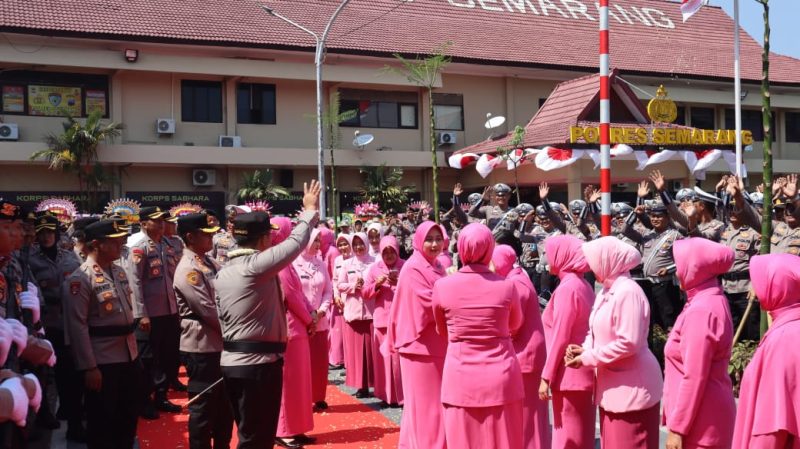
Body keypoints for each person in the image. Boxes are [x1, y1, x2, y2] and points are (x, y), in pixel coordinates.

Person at [214, 180, 319, 449]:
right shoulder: (255, 266)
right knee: (257, 438)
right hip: (257, 365)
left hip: (234, 361)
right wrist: (308, 210)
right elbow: (295, 243)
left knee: (250, 434)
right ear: (263, 238)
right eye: (269, 236)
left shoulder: (224, 270)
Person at [566, 237, 663, 449]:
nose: (591, 266)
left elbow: (629, 342)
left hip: (632, 388)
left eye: (594, 261)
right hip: (614, 388)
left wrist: (587, 358)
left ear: (607, 261)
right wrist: (585, 348)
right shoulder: (607, 290)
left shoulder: (628, 292)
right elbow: (596, 330)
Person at [433, 223, 523, 449]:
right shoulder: (507, 286)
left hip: (460, 375)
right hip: (501, 374)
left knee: (464, 441)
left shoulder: (442, 286)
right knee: (504, 440)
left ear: (460, 248)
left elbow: (441, 330)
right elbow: (515, 324)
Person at [63, 218, 143, 449]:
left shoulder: (117, 271)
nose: (121, 246)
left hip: (128, 354)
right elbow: (77, 328)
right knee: (101, 422)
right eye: (115, 242)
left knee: (127, 418)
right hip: (102, 360)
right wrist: (89, 367)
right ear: (97, 244)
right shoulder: (81, 278)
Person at [663, 238, 735, 449]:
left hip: (701, 422)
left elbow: (694, 375)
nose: (676, 272)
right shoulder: (708, 299)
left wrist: (678, 428)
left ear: (696, 268)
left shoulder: (701, 310)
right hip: (704, 415)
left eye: (681, 265)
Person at [173, 212, 233, 449]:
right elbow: (207, 310)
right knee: (203, 407)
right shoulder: (188, 268)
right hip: (202, 346)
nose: (211, 238)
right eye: (204, 234)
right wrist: (234, 330)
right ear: (190, 237)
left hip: (219, 342)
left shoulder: (207, 261)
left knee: (224, 406)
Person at [387, 221, 448, 449]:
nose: (434, 244)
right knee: (426, 406)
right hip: (420, 346)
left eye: (438, 238)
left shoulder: (438, 265)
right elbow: (429, 301)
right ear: (418, 241)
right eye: (429, 239)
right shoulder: (414, 267)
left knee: (430, 405)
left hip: (435, 343)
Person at [27, 214, 85, 441]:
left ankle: (73, 419)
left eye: (50, 232)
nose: (46, 236)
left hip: (69, 324)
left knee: (71, 373)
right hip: (45, 326)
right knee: (44, 373)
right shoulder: (30, 259)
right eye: (41, 233)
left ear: (57, 233)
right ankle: (44, 413)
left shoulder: (69, 257)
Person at [733, 253, 800, 449]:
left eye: (762, 282)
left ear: (778, 286)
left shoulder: (784, 338)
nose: (755, 289)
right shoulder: (790, 326)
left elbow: (772, 425)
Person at [539, 235, 595, 449]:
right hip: (579, 371)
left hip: (568, 372)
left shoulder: (568, 288)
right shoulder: (581, 284)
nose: (547, 258)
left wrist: (547, 376)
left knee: (568, 439)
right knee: (581, 437)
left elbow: (560, 336)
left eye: (550, 252)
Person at [492, 244, 550, 449]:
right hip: (529, 351)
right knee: (532, 412)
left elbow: (513, 323)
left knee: (527, 411)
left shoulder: (515, 284)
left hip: (526, 353)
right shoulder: (517, 278)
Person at [128, 206, 184, 414]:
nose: (161, 224)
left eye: (162, 220)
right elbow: (135, 283)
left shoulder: (169, 245)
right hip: (150, 315)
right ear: (143, 224)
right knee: (148, 358)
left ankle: (161, 396)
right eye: (155, 220)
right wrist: (141, 313)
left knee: (168, 355)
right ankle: (144, 400)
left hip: (170, 310)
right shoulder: (139, 248)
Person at [273, 217, 316, 449]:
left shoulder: (286, 260)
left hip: (298, 327)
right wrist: (309, 319)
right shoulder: (279, 261)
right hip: (290, 328)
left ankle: (297, 426)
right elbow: (291, 297)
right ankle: (283, 429)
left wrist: (311, 314)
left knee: (299, 382)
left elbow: (299, 294)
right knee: (289, 382)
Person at [292, 228, 334, 411]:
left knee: (319, 362)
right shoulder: (293, 264)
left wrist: (321, 311)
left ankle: (318, 396)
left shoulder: (321, 264)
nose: (317, 244)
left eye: (319, 240)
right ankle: (302, 397)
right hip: (301, 320)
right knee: (302, 363)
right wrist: (308, 315)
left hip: (320, 320)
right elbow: (294, 293)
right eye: (313, 240)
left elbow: (328, 291)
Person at [362, 235, 405, 407]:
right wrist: (377, 285)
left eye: (392, 251)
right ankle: (385, 395)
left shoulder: (406, 266)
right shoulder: (374, 269)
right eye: (385, 252)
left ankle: (401, 396)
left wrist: (399, 281)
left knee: (398, 360)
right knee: (382, 360)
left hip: (401, 319)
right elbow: (365, 293)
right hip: (381, 320)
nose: (389, 255)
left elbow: (413, 288)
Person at [336, 232, 375, 397]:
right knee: (357, 353)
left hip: (371, 312)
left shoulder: (375, 262)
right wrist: (354, 286)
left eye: (361, 243)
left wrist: (368, 285)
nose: (359, 247)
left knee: (372, 351)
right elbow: (340, 284)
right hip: (353, 312)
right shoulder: (346, 264)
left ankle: (376, 384)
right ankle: (361, 385)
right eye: (356, 244)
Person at [328, 234, 352, 369]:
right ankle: (343, 361)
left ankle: (350, 363)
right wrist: (336, 296)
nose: (343, 247)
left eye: (345, 244)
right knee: (341, 333)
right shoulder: (337, 260)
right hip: (339, 301)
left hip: (352, 300)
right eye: (340, 245)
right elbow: (335, 280)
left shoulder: (355, 258)